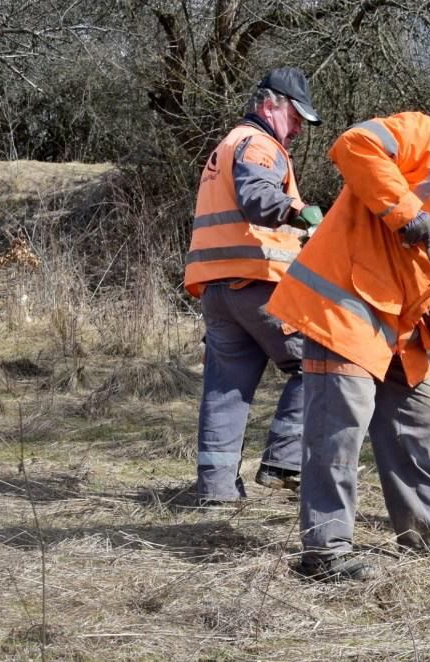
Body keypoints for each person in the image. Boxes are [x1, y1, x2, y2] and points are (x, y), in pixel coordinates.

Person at [266, 105, 430, 581]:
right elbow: (354, 144)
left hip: (401, 327)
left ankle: (427, 539)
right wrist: (405, 210)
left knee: (422, 416)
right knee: (340, 425)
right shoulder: (427, 139)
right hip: (346, 305)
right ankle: (325, 553)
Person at [184, 67, 325, 503]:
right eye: (296, 116)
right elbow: (258, 198)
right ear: (271, 105)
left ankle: (216, 490)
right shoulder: (260, 145)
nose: (299, 128)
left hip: (216, 289)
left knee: (226, 388)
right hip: (259, 282)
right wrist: (301, 213)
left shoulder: (225, 145)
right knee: (318, 364)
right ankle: (284, 463)